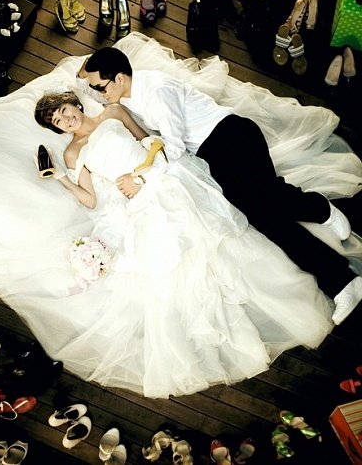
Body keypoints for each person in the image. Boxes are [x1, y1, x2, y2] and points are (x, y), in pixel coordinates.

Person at [33, 90, 334, 398]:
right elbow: (90, 199)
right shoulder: (73, 153)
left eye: (64, 111)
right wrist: (60, 177)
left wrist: (141, 176)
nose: (65, 120)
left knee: (216, 237)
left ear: (74, 104)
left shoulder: (113, 113)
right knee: (175, 263)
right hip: (140, 202)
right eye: (57, 122)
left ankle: (282, 288)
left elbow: (153, 143)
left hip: (163, 179)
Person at [76, 46, 362, 326]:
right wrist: (85, 74)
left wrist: (142, 177)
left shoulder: (156, 92)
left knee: (268, 206)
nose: (99, 94)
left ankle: (330, 243)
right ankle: (335, 259)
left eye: (100, 87)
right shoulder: (124, 93)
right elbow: (88, 86)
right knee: (266, 214)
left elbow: (174, 147)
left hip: (230, 138)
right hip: (214, 154)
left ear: (120, 78)